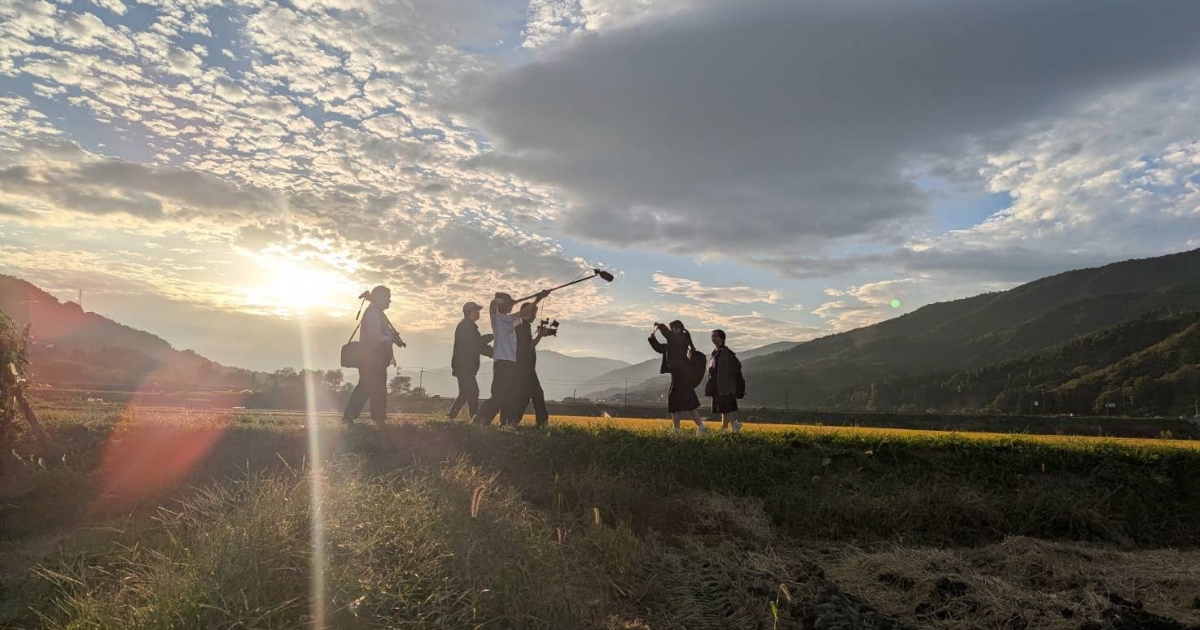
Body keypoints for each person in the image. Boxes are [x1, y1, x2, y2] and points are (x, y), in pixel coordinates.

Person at [472, 289, 549, 426]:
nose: (512, 306)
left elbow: (525, 312)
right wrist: (506, 301)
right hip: (501, 362)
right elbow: (492, 303)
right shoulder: (496, 318)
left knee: (512, 396)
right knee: (498, 395)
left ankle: (506, 423)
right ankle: (480, 419)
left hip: (512, 363)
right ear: (503, 305)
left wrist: (538, 299)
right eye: (510, 304)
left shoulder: (512, 319)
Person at [343, 286, 405, 426]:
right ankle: (377, 418)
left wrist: (393, 339)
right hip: (372, 356)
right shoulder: (374, 313)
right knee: (376, 388)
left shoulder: (376, 312)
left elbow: (380, 334)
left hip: (373, 357)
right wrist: (389, 339)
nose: (390, 301)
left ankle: (350, 416)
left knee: (365, 387)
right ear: (381, 298)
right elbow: (374, 336)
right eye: (388, 298)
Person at [648, 320, 707, 435]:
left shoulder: (680, 339)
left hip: (681, 375)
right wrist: (652, 339)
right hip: (680, 374)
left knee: (678, 402)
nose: (670, 331)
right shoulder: (676, 342)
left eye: (672, 329)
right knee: (687, 402)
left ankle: (679, 430)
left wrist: (660, 326)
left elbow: (668, 336)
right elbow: (661, 348)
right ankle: (699, 428)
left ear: (678, 329)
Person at [448, 301, 493, 420]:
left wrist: (492, 351)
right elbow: (476, 344)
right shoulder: (466, 327)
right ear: (470, 312)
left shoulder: (468, 326)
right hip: (464, 366)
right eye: (476, 310)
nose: (479, 313)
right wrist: (493, 338)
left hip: (464, 366)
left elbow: (477, 345)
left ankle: (451, 416)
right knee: (473, 391)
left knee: (464, 393)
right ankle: (475, 418)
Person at [513, 303, 549, 427]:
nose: (535, 316)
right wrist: (540, 334)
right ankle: (542, 422)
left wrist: (539, 334)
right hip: (526, 368)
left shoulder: (522, 325)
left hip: (524, 367)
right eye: (533, 313)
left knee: (524, 396)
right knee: (537, 394)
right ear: (526, 312)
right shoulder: (523, 326)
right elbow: (529, 346)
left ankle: (513, 421)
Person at [705, 329, 744, 433]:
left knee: (725, 408)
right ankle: (734, 425)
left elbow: (737, 367)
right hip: (717, 384)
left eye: (715, 336)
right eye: (712, 336)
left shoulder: (727, 353)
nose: (713, 338)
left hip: (725, 385)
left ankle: (724, 428)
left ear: (722, 338)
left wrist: (730, 380)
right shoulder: (715, 353)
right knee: (724, 409)